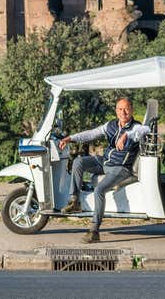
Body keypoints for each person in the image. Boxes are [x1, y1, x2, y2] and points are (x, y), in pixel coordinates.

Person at [58, 97, 149, 243]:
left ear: (131, 109)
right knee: (79, 161)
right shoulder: (111, 125)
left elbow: (146, 129)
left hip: (121, 168)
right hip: (104, 162)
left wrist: (127, 135)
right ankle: (74, 201)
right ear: (116, 110)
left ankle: (94, 231)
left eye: (126, 109)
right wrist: (69, 138)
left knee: (99, 190)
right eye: (120, 109)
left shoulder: (136, 127)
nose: (123, 112)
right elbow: (91, 133)